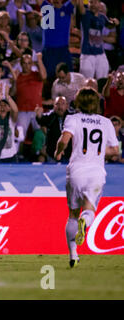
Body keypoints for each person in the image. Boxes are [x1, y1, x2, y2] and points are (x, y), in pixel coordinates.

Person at [54, 87, 119, 268]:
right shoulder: (106, 122)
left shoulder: (72, 118)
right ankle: (86, 220)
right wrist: (96, 152)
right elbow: (115, 151)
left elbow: (64, 140)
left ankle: (73, 255)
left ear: (78, 102)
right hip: (96, 172)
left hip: (76, 171)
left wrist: (58, 152)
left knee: (73, 214)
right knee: (89, 210)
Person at [75, 0, 119, 79]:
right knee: (87, 82)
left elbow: (109, 25)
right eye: (91, 2)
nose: (93, 5)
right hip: (87, 55)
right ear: (88, 4)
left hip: (100, 54)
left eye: (95, 2)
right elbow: (80, 5)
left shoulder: (102, 17)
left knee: (103, 80)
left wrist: (115, 23)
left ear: (99, 4)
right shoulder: (85, 14)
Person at [35, 96, 72, 163]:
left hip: (69, 154)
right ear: (54, 106)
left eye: (63, 104)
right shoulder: (50, 116)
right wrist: (39, 116)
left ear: (67, 106)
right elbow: (42, 120)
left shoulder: (72, 117)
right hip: (52, 154)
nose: (60, 107)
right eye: (57, 104)